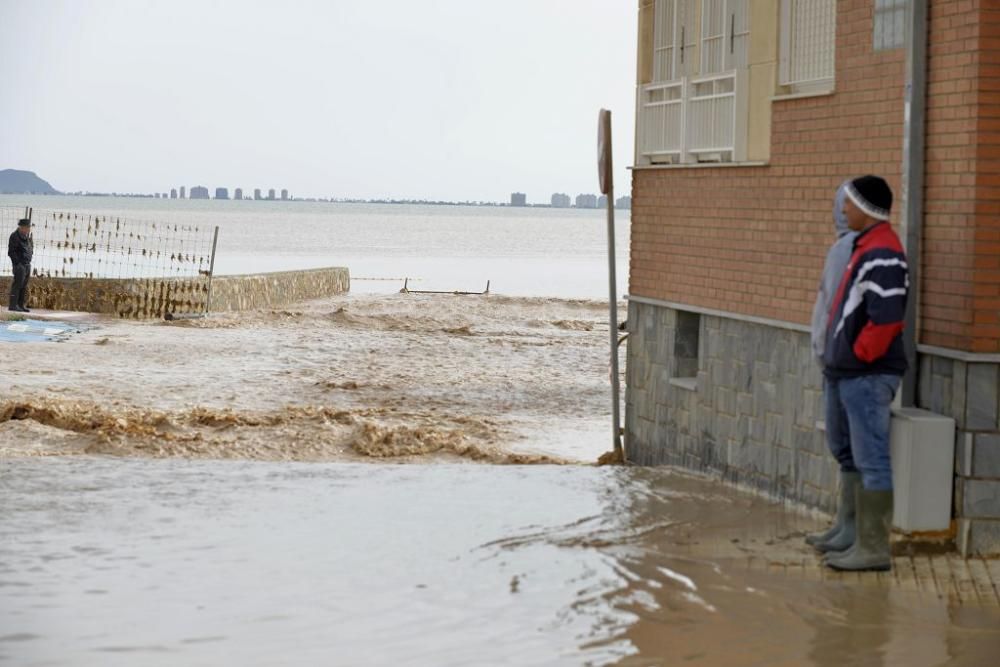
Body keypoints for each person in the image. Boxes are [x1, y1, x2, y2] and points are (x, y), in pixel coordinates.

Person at [821, 175, 908, 572]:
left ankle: (873, 549)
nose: (843, 210)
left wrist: (858, 356)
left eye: (849, 204)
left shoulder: (884, 252)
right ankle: (854, 537)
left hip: (868, 375)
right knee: (854, 455)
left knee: (872, 460)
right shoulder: (865, 246)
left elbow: (887, 318)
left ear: (868, 208)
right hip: (852, 371)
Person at [805, 182, 860, 555]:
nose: (840, 212)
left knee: (851, 448)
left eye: (844, 206)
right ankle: (845, 524)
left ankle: (853, 529)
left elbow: (836, 308)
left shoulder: (850, 250)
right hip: (835, 360)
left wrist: (831, 352)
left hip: (844, 362)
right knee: (843, 447)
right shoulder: (843, 248)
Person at [8, 218, 33, 312]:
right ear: (21, 227)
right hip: (19, 265)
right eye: (27, 227)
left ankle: (20, 305)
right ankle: (13, 305)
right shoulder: (14, 236)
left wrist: (29, 259)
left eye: (29, 227)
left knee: (23, 286)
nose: (28, 229)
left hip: (27, 264)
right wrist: (17, 263)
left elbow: (30, 248)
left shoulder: (27, 237)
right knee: (17, 285)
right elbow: (11, 252)